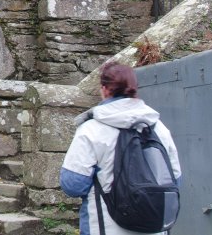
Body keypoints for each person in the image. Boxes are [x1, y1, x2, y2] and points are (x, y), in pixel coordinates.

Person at [60, 62, 181, 235]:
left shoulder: (91, 130)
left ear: (104, 89)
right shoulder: (158, 127)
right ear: (134, 88)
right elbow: (175, 179)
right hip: (153, 227)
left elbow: (72, 184)